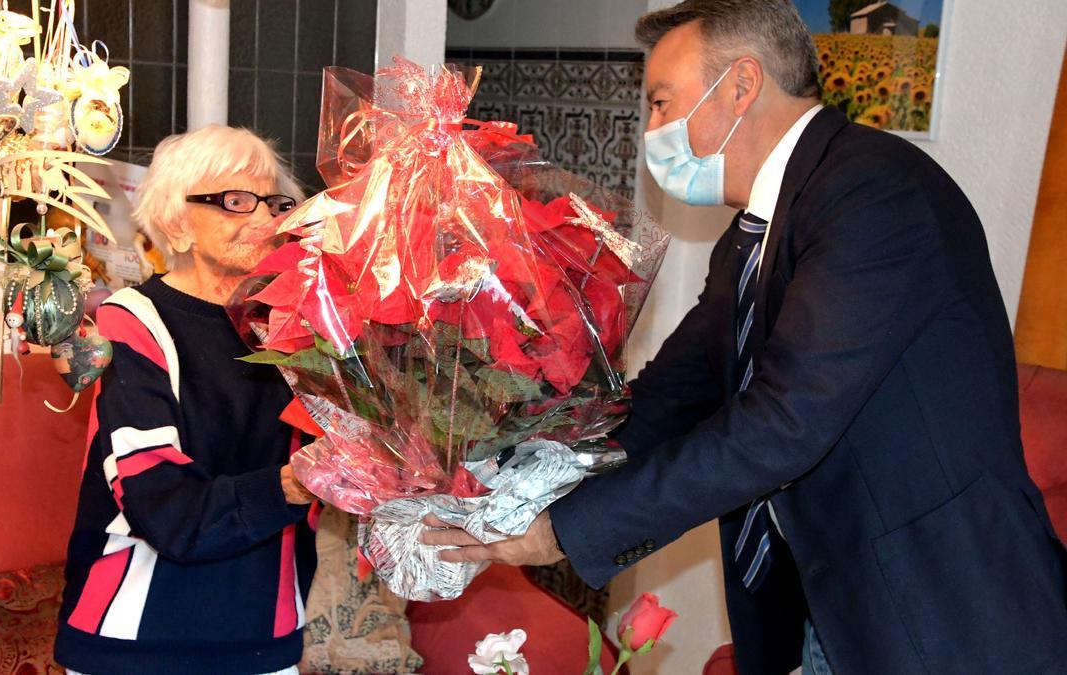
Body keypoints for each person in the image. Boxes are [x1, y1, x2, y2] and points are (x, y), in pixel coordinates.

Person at [424, 2, 1067, 673]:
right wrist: (521, 470)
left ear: (740, 85)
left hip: (943, 619)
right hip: (832, 610)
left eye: (663, 103)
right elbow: (670, 400)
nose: (653, 130)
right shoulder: (751, 237)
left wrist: (562, 532)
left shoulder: (874, 196)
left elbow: (782, 425)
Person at [54, 125, 318, 675]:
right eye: (234, 201)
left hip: (266, 635)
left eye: (275, 203)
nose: (264, 220)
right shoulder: (130, 322)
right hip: (137, 638)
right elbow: (163, 508)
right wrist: (294, 484)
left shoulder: (293, 329)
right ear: (176, 221)